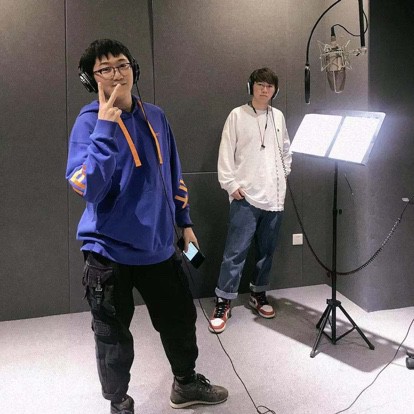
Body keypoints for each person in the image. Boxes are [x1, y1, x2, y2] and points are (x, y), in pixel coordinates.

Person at [66, 39, 228, 414]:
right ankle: (119, 403)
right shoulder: (87, 124)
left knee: (180, 321)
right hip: (107, 252)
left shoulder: (155, 116)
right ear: (91, 79)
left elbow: (173, 174)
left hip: (158, 247)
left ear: (133, 69)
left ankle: (185, 383)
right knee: (112, 336)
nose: (116, 74)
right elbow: (89, 187)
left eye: (122, 65)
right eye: (105, 69)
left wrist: (184, 222)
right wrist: (105, 128)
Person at [209, 67, 292, 334]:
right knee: (235, 253)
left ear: (275, 90)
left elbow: (286, 149)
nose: (264, 90)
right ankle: (223, 301)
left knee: (266, 252)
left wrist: (283, 174)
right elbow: (226, 151)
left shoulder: (278, 116)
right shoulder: (237, 115)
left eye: (269, 86)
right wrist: (231, 185)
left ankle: (258, 294)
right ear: (251, 87)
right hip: (245, 196)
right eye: (260, 85)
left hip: (274, 196)